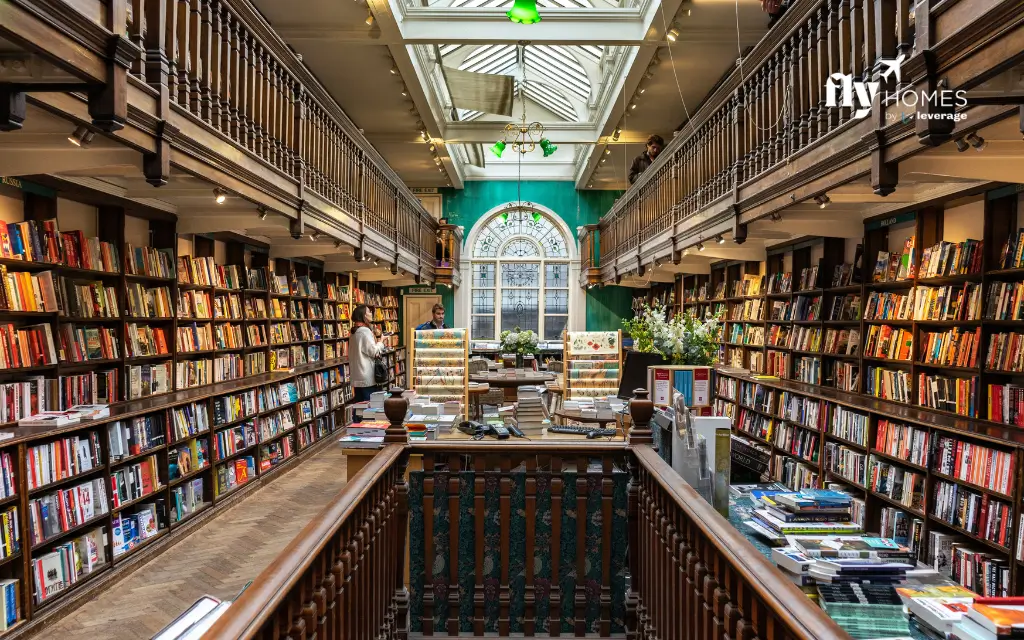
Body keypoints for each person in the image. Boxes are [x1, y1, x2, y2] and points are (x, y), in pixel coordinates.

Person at [350, 304, 385, 403]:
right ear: (364, 315)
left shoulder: (354, 332)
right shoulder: (364, 331)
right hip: (366, 377)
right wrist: (381, 342)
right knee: (369, 407)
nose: (371, 313)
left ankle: (357, 419)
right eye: (369, 311)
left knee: (359, 405)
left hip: (357, 376)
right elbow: (374, 352)